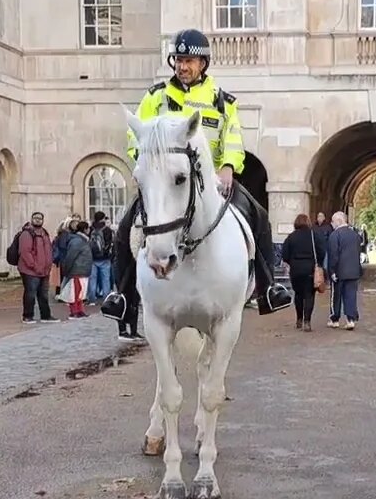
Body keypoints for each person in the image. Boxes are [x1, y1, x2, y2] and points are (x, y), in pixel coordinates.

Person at [100, 28, 292, 322]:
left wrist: (228, 166)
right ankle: (123, 295)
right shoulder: (156, 97)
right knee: (129, 224)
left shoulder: (222, 100)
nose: (182, 66)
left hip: (211, 180)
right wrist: (149, 165)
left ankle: (268, 287)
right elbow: (135, 134)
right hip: (167, 181)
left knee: (259, 215)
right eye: (178, 59)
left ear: (203, 63)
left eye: (189, 60)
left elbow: (233, 137)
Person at [280, 213, 326, 331]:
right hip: (310, 269)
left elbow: (284, 254)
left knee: (298, 295)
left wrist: (291, 262)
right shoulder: (313, 235)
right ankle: (307, 321)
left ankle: (299, 319)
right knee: (309, 295)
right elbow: (321, 251)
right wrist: (318, 264)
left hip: (295, 270)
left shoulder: (291, 237)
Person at [326, 211, 364, 329]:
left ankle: (335, 319)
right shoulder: (355, 235)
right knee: (351, 295)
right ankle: (350, 319)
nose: (332, 224)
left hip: (339, 271)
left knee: (336, 296)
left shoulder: (335, 235)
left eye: (332, 221)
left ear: (338, 221)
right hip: (353, 271)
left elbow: (333, 255)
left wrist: (331, 271)